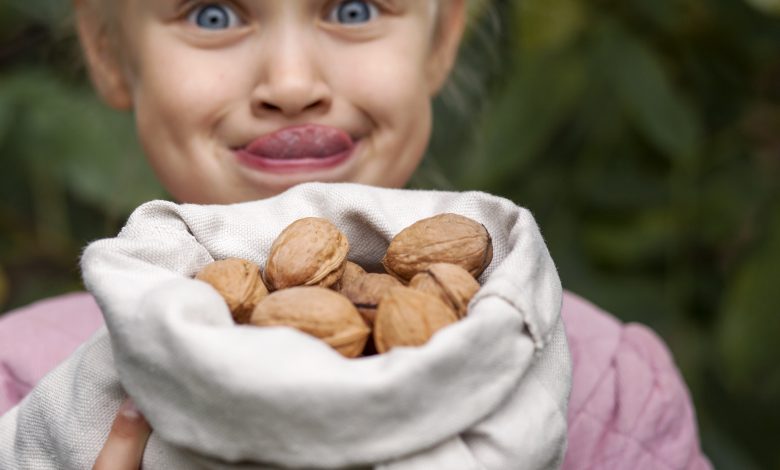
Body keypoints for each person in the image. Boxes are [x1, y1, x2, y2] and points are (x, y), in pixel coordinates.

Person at [0, 0, 712, 468]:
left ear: (441, 41)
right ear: (107, 52)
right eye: (212, 14)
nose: (291, 81)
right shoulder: (20, 391)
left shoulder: (612, 398)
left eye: (353, 8)